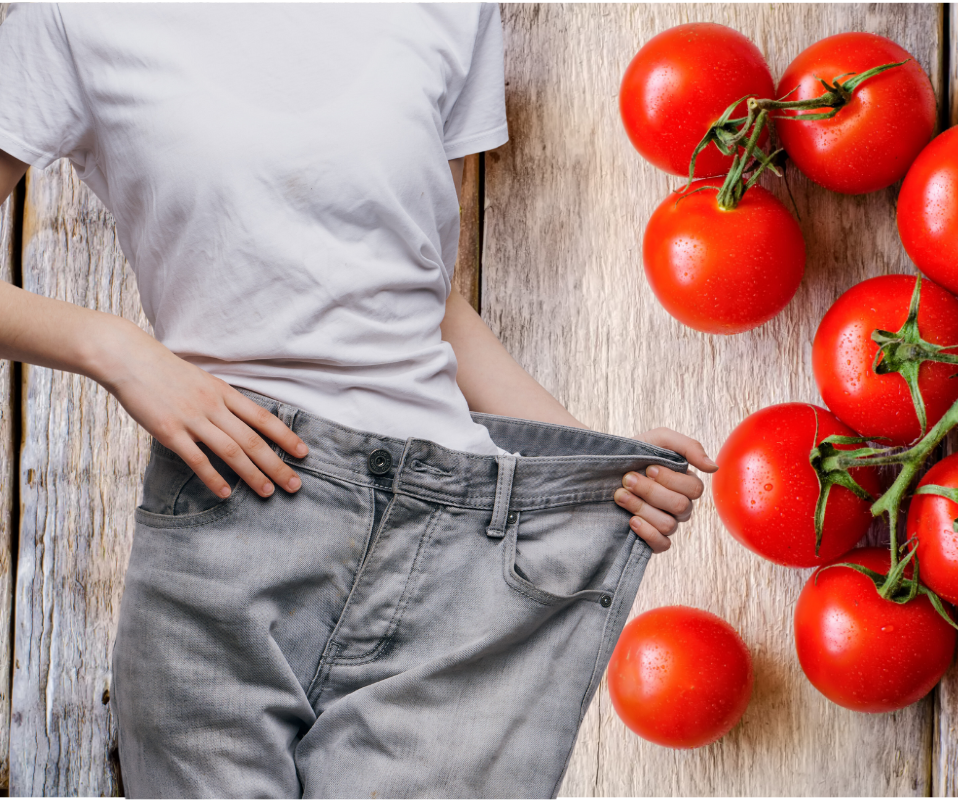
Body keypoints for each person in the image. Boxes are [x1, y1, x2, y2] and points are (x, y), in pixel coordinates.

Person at [0, 5, 716, 797]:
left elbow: (421, 298)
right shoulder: (77, 19)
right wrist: (122, 353)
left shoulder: (453, 9)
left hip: (457, 538)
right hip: (237, 514)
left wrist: (591, 463)